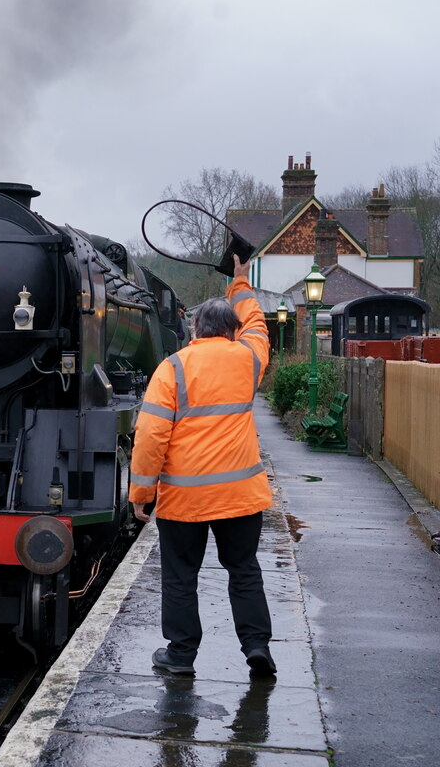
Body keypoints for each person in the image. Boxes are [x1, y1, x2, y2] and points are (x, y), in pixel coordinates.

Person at [129, 254, 276, 677]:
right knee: (244, 570)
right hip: (240, 497)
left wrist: (142, 494)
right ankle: (257, 647)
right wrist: (241, 283)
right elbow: (258, 325)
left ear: (194, 329)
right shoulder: (249, 360)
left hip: (184, 499)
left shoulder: (172, 368)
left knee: (181, 577)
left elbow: (151, 437)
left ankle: (180, 656)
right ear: (232, 332)